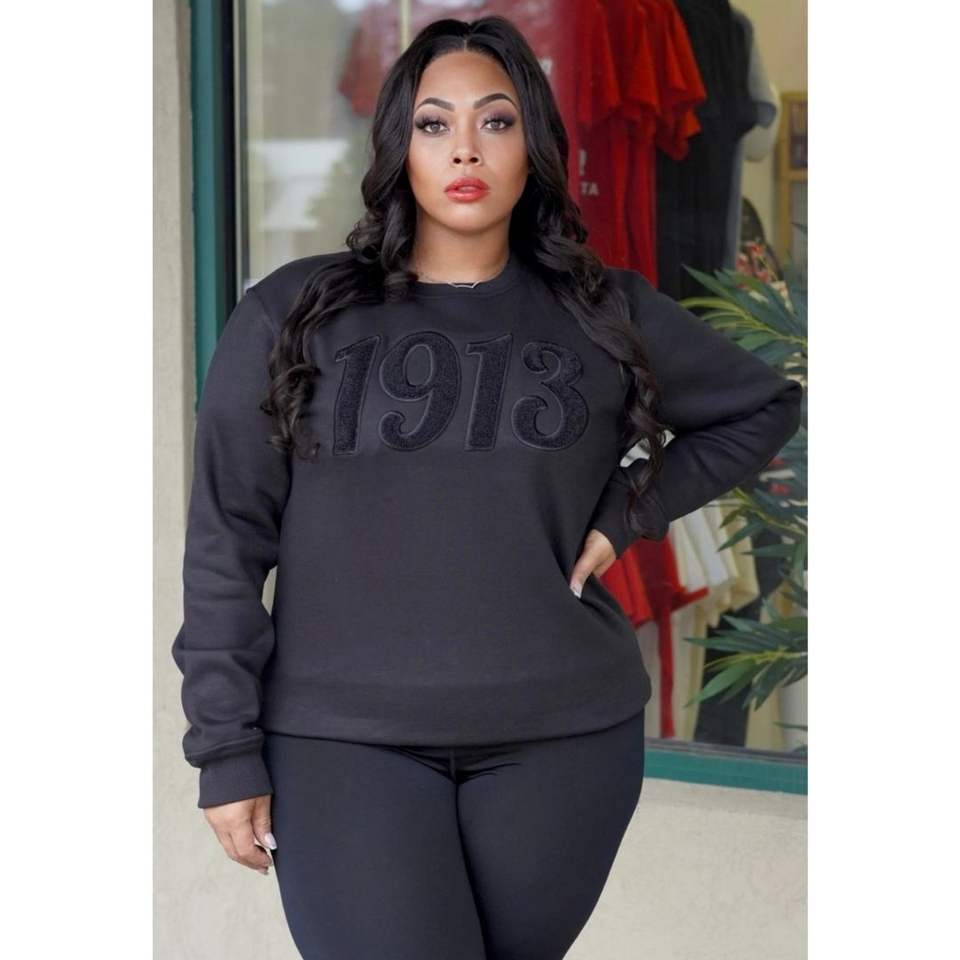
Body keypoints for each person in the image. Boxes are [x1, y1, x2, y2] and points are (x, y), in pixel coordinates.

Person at [172, 14, 802, 958]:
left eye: (496, 121)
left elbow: (761, 407)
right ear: (400, 145)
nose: (465, 148)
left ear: (532, 145)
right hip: (341, 743)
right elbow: (226, 540)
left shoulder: (603, 311)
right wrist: (224, 748)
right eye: (435, 123)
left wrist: (629, 510)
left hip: (563, 743)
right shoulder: (291, 314)